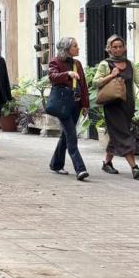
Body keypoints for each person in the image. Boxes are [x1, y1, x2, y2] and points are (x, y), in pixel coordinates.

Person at [94, 35, 139, 179]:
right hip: (112, 106)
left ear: (124, 48)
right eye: (115, 47)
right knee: (124, 135)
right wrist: (111, 76)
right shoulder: (105, 64)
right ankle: (134, 167)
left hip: (127, 105)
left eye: (120, 46)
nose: (118, 49)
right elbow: (96, 82)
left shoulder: (130, 64)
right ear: (109, 48)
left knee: (118, 134)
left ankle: (107, 163)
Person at [48, 37, 90, 181]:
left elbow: (83, 85)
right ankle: (80, 169)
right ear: (66, 49)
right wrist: (67, 74)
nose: (78, 48)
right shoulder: (55, 61)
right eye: (75, 46)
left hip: (76, 104)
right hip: (63, 104)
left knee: (66, 135)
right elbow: (52, 77)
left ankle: (56, 164)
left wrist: (85, 105)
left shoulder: (77, 63)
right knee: (72, 136)